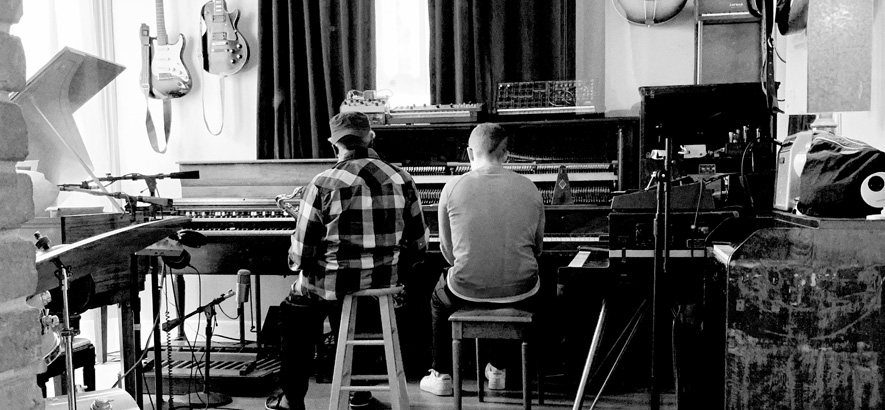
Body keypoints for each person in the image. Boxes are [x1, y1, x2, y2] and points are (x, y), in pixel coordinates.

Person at [269, 111, 428, 410]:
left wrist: (297, 257)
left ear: (334, 144)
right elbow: (419, 246)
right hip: (383, 287)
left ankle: (292, 398)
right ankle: (359, 390)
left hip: (332, 286)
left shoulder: (322, 183)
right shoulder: (403, 179)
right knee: (356, 304)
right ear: (371, 137)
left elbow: (302, 256)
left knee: (295, 311)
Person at [419, 122, 545, 396]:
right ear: (506, 154)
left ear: (468, 152)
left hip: (465, 290)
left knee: (438, 298)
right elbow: (538, 248)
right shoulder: (531, 188)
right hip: (523, 292)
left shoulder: (451, 187)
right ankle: (499, 369)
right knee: (514, 284)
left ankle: (442, 374)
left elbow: (448, 251)